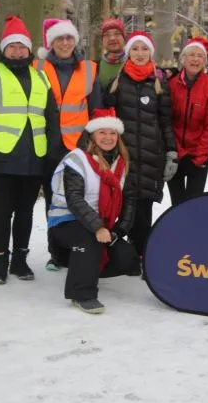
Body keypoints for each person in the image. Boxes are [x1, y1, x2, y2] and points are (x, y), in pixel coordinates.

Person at [0, 16, 61, 284]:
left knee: (25, 212)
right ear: (3, 49)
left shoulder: (41, 77)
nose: (18, 52)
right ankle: (0, 263)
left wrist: (52, 151)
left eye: (22, 47)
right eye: (12, 47)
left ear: (29, 50)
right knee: (2, 211)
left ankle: (20, 261)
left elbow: (51, 116)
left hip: (34, 157)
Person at [47, 108, 141, 314]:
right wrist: (98, 227)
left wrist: (118, 231)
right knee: (88, 241)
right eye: (102, 132)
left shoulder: (122, 162)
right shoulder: (77, 159)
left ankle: (83, 265)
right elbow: (74, 199)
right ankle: (82, 293)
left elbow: (130, 200)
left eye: (112, 133)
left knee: (128, 259)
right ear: (91, 135)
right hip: (66, 220)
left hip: (101, 224)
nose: (108, 137)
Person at [35, 18, 103, 271]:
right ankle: (56, 253)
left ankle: (79, 249)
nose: (65, 43)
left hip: (79, 147)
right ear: (51, 43)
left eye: (69, 38)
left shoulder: (89, 69)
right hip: (49, 145)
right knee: (54, 200)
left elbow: (96, 109)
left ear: (75, 41)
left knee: (81, 199)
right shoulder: (37, 66)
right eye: (59, 39)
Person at [103, 31, 176, 259]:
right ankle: (120, 253)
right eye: (135, 49)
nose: (140, 53)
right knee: (122, 205)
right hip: (124, 157)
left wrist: (171, 152)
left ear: (151, 53)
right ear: (128, 53)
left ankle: (142, 253)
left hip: (151, 156)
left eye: (145, 49)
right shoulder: (118, 82)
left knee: (144, 207)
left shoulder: (159, 82)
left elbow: (166, 122)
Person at [167, 37, 208, 204]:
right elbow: (166, 120)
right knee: (176, 204)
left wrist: (200, 157)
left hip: (198, 157)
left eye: (200, 56)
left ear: (205, 61)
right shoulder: (171, 84)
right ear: (183, 59)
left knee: (194, 205)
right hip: (175, 154)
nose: (195, 59)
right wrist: (177, 151)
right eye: (191, 55)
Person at [96, 17, 127, 88]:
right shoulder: (94, 68)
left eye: (117, 33)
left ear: (124, 38)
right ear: (102, 40)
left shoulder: (134, 64)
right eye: (107, 35)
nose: (112, 38)